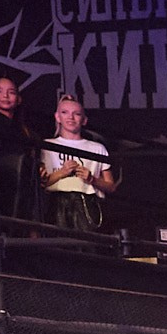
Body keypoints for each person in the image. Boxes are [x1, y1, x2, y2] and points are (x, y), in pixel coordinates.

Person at [38, 94, 115, 234]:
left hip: (87, 205)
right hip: (55, 204)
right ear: (57, 117)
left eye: (77, 114)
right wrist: (62, 172)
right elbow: (41, 182)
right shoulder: (46, 146)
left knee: (87, 247)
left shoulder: (97, 148)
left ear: (84, 120)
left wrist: (92, 179)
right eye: (64, 112)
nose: (70, 117)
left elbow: (111, 186)